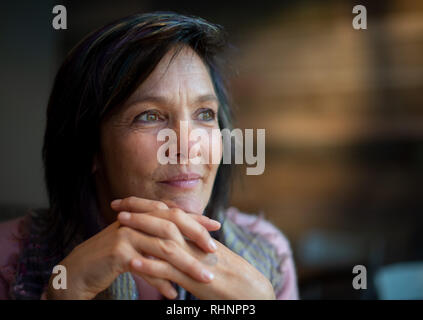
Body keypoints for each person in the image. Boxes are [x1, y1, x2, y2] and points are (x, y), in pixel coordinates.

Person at [0, 12, 299, 300]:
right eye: (150, 116)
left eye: (205, 114)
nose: (187, 145)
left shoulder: (268, 255)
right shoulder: (9, 259)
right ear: (90, 147)